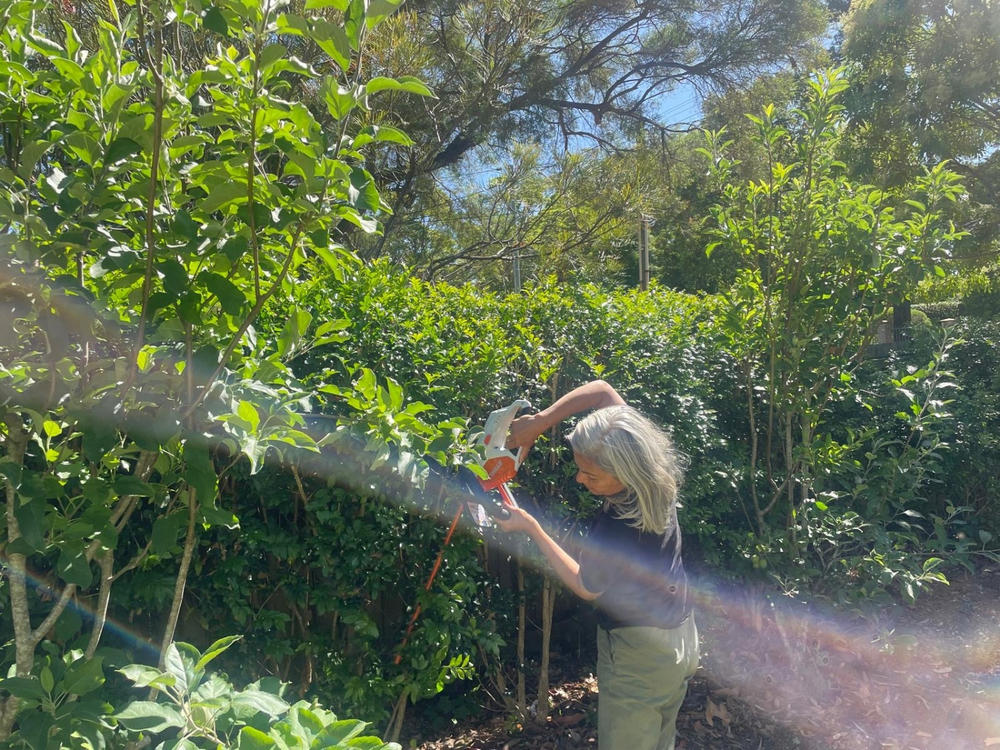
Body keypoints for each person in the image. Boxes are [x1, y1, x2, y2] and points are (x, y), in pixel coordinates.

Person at [496, 379, 698, 750]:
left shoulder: (619, 527)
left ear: (625, 471)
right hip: (679, 637)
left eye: (591, 475)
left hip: (639, 655)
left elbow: (587, 585)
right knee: (659, 738)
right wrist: (539, 422)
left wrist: (531, 527)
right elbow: (604, 393)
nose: (579, 479)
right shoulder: (653, 470)